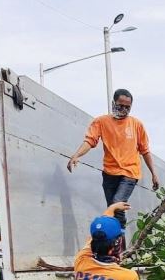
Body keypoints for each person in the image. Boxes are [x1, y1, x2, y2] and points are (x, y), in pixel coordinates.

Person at [67, 89, 160, 226]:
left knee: (116, 204)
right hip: (109, 173)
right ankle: (118, 240)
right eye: (120, 106)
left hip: (130, 173)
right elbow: (90, 141)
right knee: (112, 209)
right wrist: (76, 155)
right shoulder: (101, 122)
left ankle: (120, 237)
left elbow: (145, 151)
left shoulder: (136, 125)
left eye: (127, 107)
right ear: (113, 103)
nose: (123, 110)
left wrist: (154, 174)